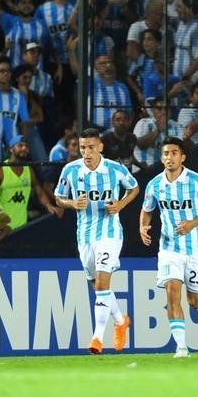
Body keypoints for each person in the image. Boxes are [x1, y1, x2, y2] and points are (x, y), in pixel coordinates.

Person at [54, 127, 139, 354]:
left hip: (110, 233)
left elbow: (134, 188)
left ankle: (97, 339)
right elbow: (58, 197)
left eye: (91, 147)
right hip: (84, 236)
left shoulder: (115, 169)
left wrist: (120, 205)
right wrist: (72, 203)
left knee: (102, 283)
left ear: (100, 147)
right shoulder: (71, 170)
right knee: (98, 286)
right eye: (83, 148)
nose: (87, 152)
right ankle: (121, 321)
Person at [139, 136, 198, 357]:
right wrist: (143, 227)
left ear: (182, 157)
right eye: (166, 153)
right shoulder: (154, 184)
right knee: (172, 292)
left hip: (196, 250)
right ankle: (182, 347)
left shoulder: (196, 181)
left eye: (174, 153)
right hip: (169, 249)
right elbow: (147, 209)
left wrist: (192, 223)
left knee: (194, 300)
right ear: (162, 158)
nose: (169, 157)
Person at [0, 140, 61, 232]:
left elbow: (39, 192)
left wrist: (49, 206)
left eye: (26, 146)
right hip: (0, 227)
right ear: (11, 149)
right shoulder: (0, 169)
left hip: (20, 227)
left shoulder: (28, 170)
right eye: (20, 145)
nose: (24, 148)